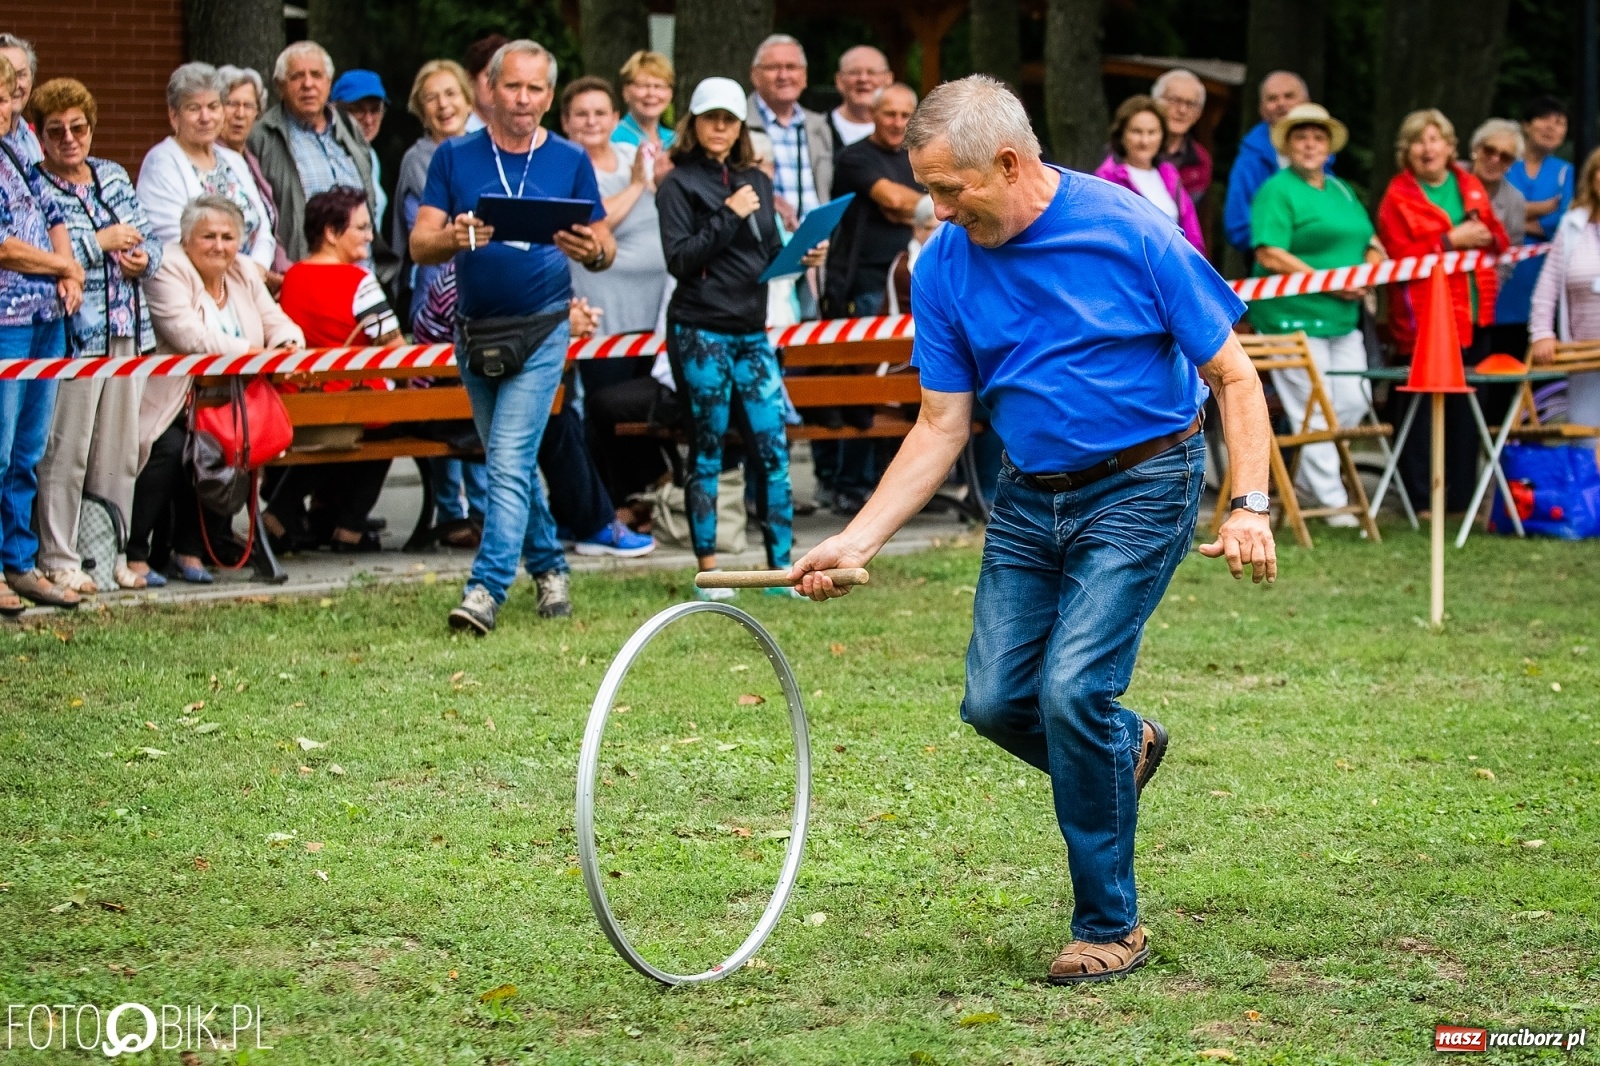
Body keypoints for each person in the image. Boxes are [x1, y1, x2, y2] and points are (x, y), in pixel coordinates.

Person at [791, 75, 1276, 985]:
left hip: (1142, 483)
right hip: (1027, 494)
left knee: (1071, 692)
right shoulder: (943, 263)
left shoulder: (1130, 230)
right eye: (926, 189)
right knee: (995, 703)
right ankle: (1119, 748)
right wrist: (858, 540)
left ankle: (1110, 926)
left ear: (1009, 162)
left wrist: (1246, 503)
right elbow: (941, 423)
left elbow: (1235, 377)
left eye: (949, 188)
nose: (935, 209)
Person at [411, 38, 616, 634]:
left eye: (535, 89)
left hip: (544, 327)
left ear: (549, 97)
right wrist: (455, 236)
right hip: (475, 331)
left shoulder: (570, 158)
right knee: (514, 465)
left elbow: (604, 246)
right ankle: (551, 569)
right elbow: (420, 245)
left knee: (505, 459)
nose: (523, 98)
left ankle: (485, 588)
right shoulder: (454, 157)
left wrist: (592, 251)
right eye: (512, 86)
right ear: (490, 89)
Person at [657, 76, 829, 599]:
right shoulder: (677, 184)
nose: (719, 127)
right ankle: (710, 571)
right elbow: (680, 259)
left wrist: (801, 258)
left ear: (739, 127)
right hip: (699, 330)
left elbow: (765, 255)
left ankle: (782, 571)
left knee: (773, 448)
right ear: (693, 123)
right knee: (707, 449)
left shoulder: (755, 177)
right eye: (710, 117)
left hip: (753, 333)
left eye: (729, 119)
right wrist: (727, 215)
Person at [31, 77, 162, 593]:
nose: (69, 138)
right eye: (56, 130)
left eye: (78, 127)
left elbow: (148, 234)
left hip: (126, 327)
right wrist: (100, 242)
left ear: (91, 128)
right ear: (41, 137)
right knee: (66, 451)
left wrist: (144, 256)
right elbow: (46, 255)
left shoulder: (111, 173)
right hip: (74, 335)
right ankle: (60, 556)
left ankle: (108, 556)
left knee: (119, 453)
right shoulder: (36, 183)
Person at [139, 196, 303, 584]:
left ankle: (193, 550)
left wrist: (288, 344)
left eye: (228, 237)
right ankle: (137, 550)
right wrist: (250, 352)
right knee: (174, 451)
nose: (218, 245)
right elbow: (188, 335)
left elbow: (275, 320)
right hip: (173, 401)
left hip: (229, 405)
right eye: (207, 236)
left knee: (229, 447)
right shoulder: (168, 267)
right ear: (185, 238)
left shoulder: (244, 270)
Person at [1247, 103, 1380, 524]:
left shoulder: (1342, 190)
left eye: (1318, 137)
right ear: (1287, 144)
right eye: (1301, 137)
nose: (1310, 145)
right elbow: (1270, 252)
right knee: (1315, 405)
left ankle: (1305, 480)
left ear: (1329, 146)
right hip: (1292, 317)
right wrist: (1328, 280)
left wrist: (1374, 265)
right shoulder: (1277, 189)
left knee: (1354, 400)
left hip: (1344, 316)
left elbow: (1369, 238)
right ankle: (1335, 506)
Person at [1376, 108, 1509, 516]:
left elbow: (1498, 239)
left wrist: (1486, 236)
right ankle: (1420, 500)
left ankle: (1462, 500)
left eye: (1435, 139)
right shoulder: (1397, 197)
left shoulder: (1469, 184)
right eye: (1418, 140)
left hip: (1473, 315)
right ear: (1406, 151)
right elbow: (1399, 259)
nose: (1427, 148)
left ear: (1451, 147)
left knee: (1469, 410)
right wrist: (1451, 240)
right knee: (1421, 416)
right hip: (1424, 322)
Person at [270, 186, 399, 552]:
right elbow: (395, 350)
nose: (370, 235)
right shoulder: (359, 282)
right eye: (360, 227)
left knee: (335, 429)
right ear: (330, 232)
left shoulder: (292, 277)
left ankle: (284, 509)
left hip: (299, 400)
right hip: (351, 402)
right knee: (396, 425)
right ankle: (350, 526)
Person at [0, 53, 84, 613]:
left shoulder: (19, 144)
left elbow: (53, 207)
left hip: (45, 319)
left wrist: (68, 263)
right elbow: (3, 247)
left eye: (10, 95)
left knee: (28, 450)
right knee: (0, 449)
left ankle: (18, 561)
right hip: (5, 321)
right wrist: (64, 268)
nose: (8, 106)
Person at [136, 63, 277, 278]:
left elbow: (264, 229)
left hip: (250, 283)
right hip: (193, 286)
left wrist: (257, 269)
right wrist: (242, 275)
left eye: (213, 106)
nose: (205, 117)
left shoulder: (233, 160)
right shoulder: (161, 161)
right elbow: (174, 237)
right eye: (194, 108)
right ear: (174, 116)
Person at [247, 42, 381, 267]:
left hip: (361, 274)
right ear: (280, 86)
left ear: (328, 83)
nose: (308, 84)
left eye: (316, 75)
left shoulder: (349, 129)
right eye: (297, 76)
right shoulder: (262, 137)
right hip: (304, 276)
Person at [824, 83, 923, 316]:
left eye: (905, 115)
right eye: (890, 114)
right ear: (873, 114)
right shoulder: (854, 156)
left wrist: (918, 211)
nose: (897, 123)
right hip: (869, 284)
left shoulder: (918, 157)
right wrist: (929, 209)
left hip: (914, 277)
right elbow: (894, 200)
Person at [1529, 147, 1600, 431]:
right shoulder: (1573, 224)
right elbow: (1547, 287)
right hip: (1582, 353)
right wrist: (1542, 334)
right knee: (1585, 434)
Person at [1497, 97, 1574, 352]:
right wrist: (1544, 208)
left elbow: (1563, 226)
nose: (1551, 127)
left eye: (1560, 122)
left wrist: (1509, 221)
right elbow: (1489, 211)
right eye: (1544, 119)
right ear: (1526, 125)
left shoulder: (1568, 172)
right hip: (1502, 289)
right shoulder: (1502, 163)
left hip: (1546, 286)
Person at [1223, 71, 1323, 255]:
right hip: (1270, 265)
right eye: (1272, 99)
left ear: (1306, 102)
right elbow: (1237, 227)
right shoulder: (1249, 161)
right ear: (1262, 110)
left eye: (1289, 96)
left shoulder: (1322, 156)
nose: (1281, 104)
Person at [1094, 95, 1205, 253]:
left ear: (1162, 136)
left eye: (1152, 132)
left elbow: (1192, 232)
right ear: (1121, 134)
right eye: (1136, 131)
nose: (1144, 141)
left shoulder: (1169, 174)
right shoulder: (1106, 179)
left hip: (1174, 270)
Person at [745, 34, 832, 232]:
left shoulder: (818, 126)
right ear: (755, 75)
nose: (783, 76)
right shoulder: (738, 125)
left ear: (804, 76)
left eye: (791, 67)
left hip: (814, 249)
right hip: (761, 251)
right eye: (773, 68)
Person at [215, 65, 289, 286]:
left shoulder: (250, 161)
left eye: (248, 105)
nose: (240, 114)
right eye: (231, 104)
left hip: (261, 276)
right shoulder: (210, 159)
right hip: (232, 281)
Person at [1468, 119, 1528, 300]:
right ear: (1476, 149)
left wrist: (1488, 289)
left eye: (1505, 156)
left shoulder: (1514, 200)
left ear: (1511, 164)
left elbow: (1511, 254)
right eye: (1489, 150)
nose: (1495, 159)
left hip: (1480, 293)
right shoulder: (1450, 178)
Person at [330, 69, 389, 227]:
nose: (368, 120)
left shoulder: (371, 155)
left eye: (375, 109)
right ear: (335, 110)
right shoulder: (332, 154)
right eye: (358, 109)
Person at [1151, 68, 1212, 208]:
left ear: (1199, 114)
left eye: (1191, 104)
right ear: (1155, 103)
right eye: (1174, 100)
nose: (1182, 110)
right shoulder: (1130, 148)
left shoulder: (1201, 160)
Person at [612, 50, 676, 165]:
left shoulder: (674, 140)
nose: (651, 93)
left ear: (670, 94)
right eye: (643, 86)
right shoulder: (613, 137)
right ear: (626, 92)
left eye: (658, 86)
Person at [830, 45, 893, 150]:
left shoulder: (902, 133)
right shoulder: (816, 130)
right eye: (854, 72)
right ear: (839, 80)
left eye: (872, 72)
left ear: (889, 79)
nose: (863, 79)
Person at [0, 34, 41, 166]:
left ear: (32, 78)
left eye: (21, 74)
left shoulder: (31, 137)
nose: (15, 84)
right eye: (7, 74)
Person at [462, 34, 508, 134]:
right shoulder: (456, 135)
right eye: (490, 75)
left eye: (505, 77)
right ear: (470, 80)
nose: (497, 84)